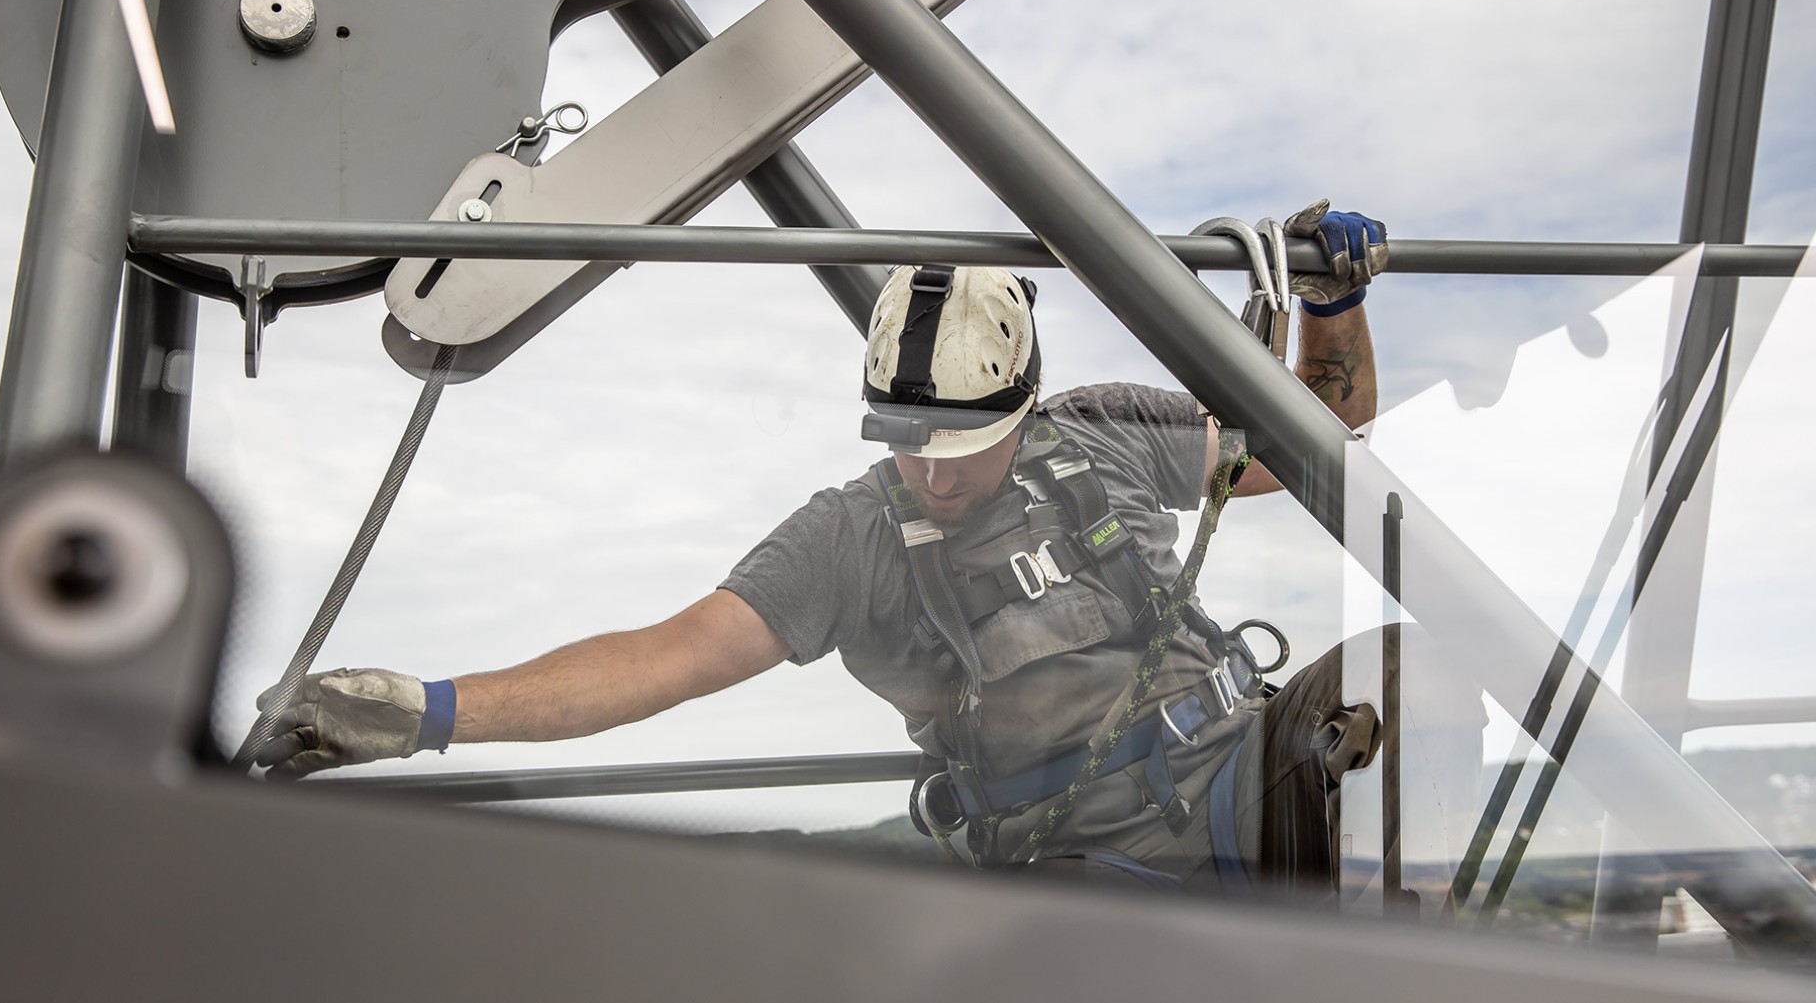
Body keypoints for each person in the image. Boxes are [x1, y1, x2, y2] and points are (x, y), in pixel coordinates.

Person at [255, 200, 1391, 895]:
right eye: (908, 443)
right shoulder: (849, 539)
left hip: (1251, 776)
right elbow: (663, 657)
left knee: (1402, 679)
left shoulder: (1105, 432)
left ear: (1028, 406)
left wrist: (1331, 302)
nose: (934, 473)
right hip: (1088, 866)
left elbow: (1320, 435)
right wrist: (428, 710)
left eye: (966, 445)